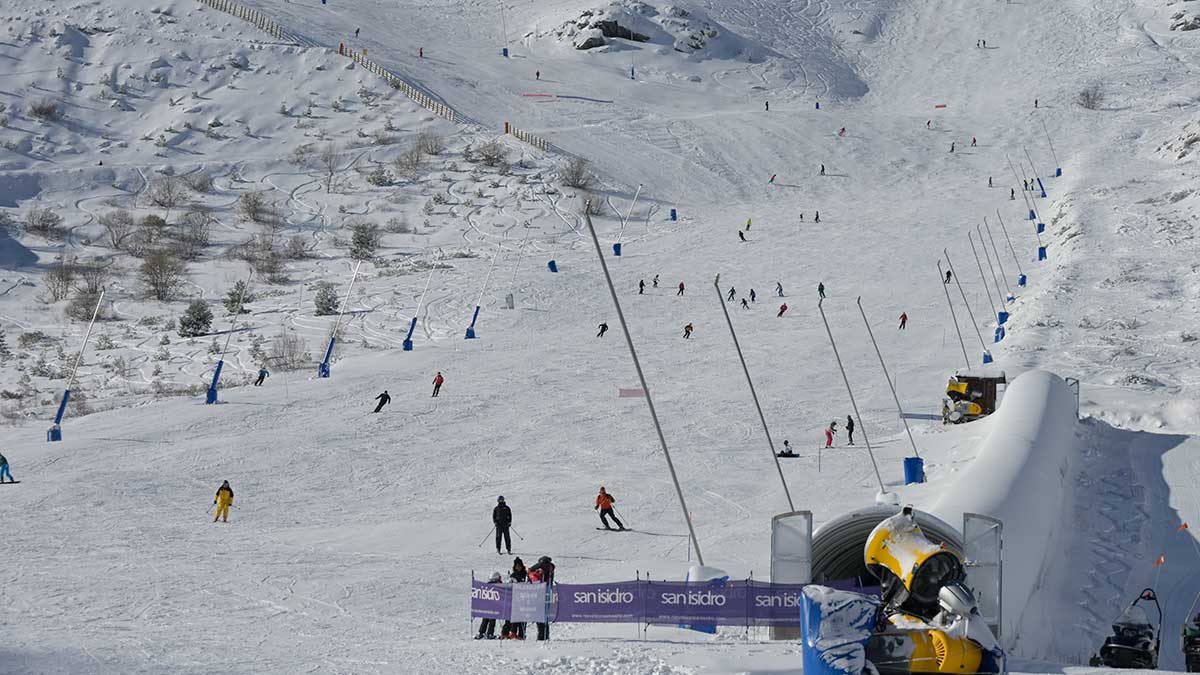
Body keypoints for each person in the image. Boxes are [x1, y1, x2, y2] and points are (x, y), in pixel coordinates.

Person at [528, 556, 556, 640]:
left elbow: (530, 569)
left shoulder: (544, 565)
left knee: (539, 615)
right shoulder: (551, 567)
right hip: (547, 591)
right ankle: (545, 635)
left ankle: (541, 635)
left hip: (540, 592)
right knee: (544, 616)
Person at [501, 558, 527, 639]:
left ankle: (521, 634)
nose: (518, 567)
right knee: (510, 617)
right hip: (514, 599)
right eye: (516, 566)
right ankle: (508, 633)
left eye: (519, 566)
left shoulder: (525, 574)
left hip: (524, 598)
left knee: (522, 618)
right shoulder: (513, 575)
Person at [475, 572, 503, 639]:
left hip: (487, 606)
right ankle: (490, 633)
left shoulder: (487, 586)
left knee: (485, 620)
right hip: (493, 606)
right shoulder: (499, 585)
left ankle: (481, 632)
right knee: (492, 621)